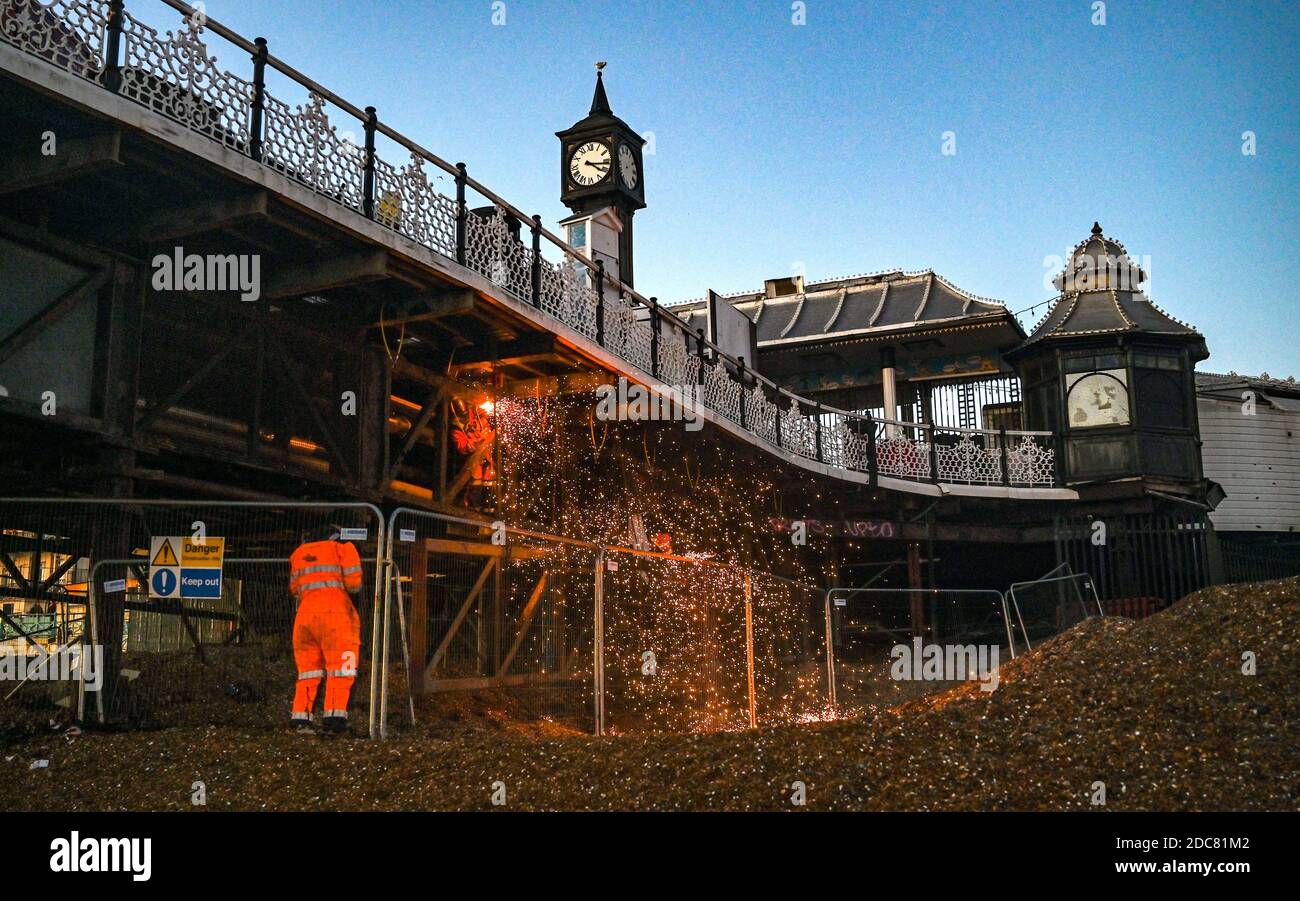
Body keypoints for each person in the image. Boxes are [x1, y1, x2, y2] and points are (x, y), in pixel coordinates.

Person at [288, 525, 363, 734]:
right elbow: (354, 584)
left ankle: (301, 719)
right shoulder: (343, 548)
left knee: (308, 672)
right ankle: (334, 720)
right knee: (341, 669)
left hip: (304, 616)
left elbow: (294, 589)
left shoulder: (299, 553)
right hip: (337, 616)